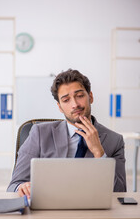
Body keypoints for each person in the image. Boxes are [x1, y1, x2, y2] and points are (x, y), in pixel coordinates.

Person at [7, 69, 126, 198]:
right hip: (49, 210)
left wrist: (99, 153)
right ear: (60, 107)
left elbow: (119, 193)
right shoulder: (39, 133)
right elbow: (14, 185)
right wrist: (23, 188)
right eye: (66, 100)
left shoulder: (115, 140)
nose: (74, 104)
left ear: (90, 97)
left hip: (92, 212)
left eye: (80, 96)